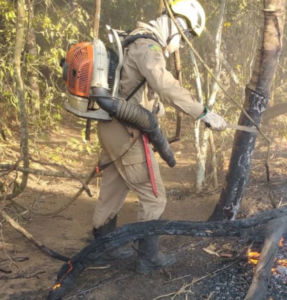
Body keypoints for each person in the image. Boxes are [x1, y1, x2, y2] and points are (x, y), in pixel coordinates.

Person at [92, 0, 226, 274]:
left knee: (114, 187)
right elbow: (164, 83)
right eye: (187, 35)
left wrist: (155, 108)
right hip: (126, 130)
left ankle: (102, 248)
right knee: (155, 198)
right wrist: (202, 112)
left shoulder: (134, 38)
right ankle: (148, 257)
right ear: (176, 22)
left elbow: (135, 87)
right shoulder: (149, 45)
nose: (185, 41)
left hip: (110, 126)